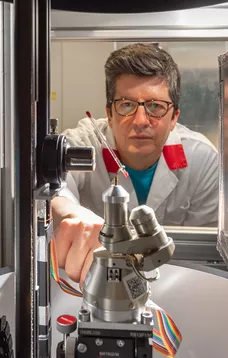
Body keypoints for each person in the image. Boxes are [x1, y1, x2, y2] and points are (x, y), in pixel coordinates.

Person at [51, 43, 219, 286]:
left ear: (174, 118)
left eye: (155, 107)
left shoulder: (202, 160)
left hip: (175, 286)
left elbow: (204, 258)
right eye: (127, 105)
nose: (140, 121)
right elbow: (55, 188)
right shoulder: (82, 143)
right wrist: (71, 214)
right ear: (109, 114)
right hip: (91, 285)